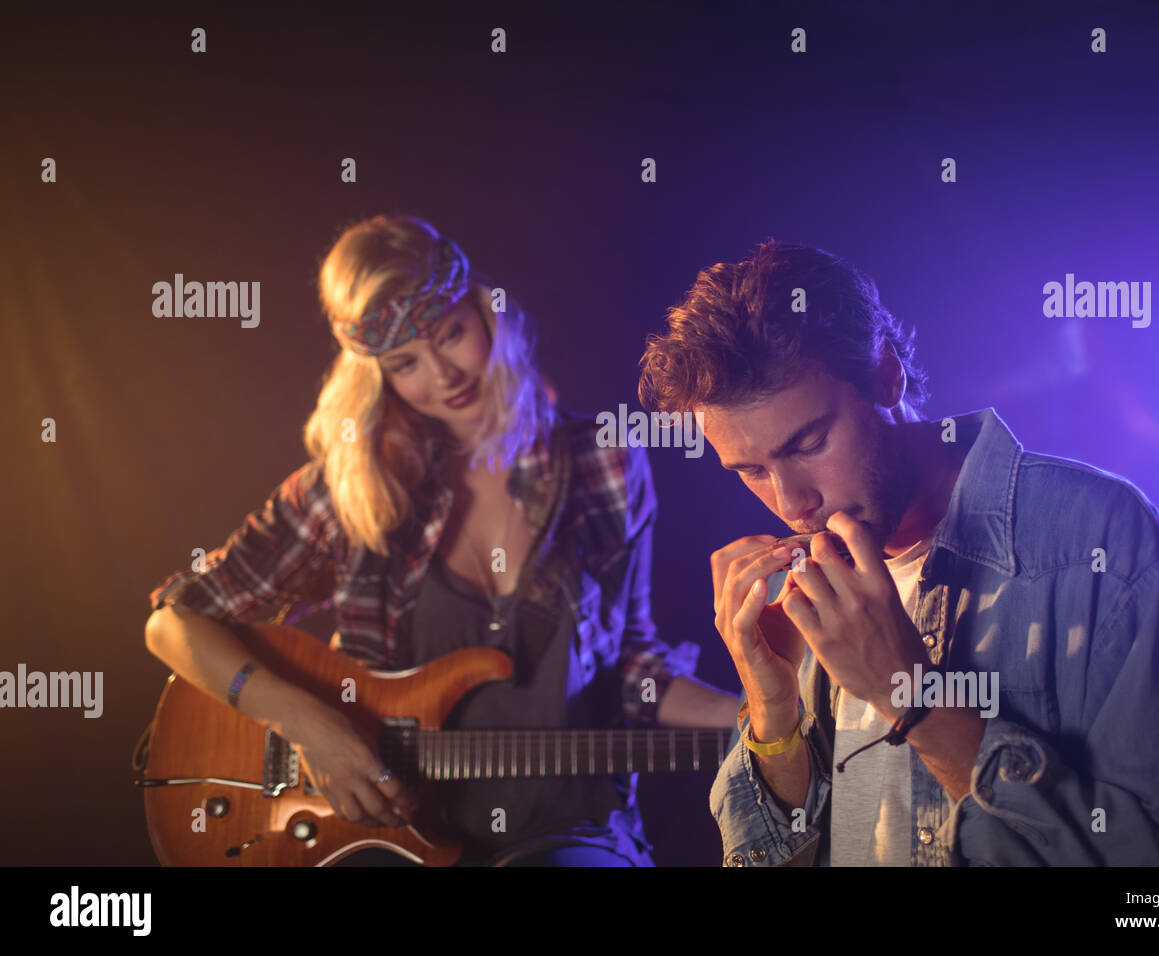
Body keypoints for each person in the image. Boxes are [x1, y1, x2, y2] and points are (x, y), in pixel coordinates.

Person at [145, 214, 738, 866]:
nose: (442, 374)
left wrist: (755, 718)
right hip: (388, 836)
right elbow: (173, 625)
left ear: (488, 314)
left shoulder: (604, 460)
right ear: (376, 374)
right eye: (405, 363)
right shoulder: (348, 489)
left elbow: (633, 669)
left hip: (569, 827)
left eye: (451, 335)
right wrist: (309, 726)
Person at [636, 239, 1159, 866]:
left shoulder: (1096, 536)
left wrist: (913, 699)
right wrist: (772, 710)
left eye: (809, 443)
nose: (792, 503)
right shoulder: (803, 583)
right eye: (751, 471)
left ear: (886, 374)